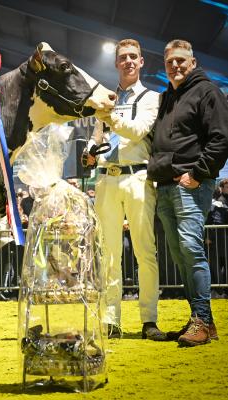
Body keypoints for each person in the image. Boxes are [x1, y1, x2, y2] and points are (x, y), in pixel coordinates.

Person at [147, 39, 228, 346]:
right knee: (181, 255)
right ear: (165, 65)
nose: (176, 66)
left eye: (182, 61)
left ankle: (203, 321)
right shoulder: (167, 97)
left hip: (191, 183)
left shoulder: (207, 92)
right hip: (166, 185)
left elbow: (221, 138)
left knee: (191, 249)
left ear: (193, 63)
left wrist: (197, 173)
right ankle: (201, 317)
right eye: (170, 62)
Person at [84, 39, 165, 340]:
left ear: (142, 62)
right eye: (123, 57)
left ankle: (149, 319)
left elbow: (136, 131)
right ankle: (110, 320)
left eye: (133, 57)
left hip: (138, 178)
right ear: (116, 63)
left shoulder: (151, 98)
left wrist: (108, 115)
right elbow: (98, 136)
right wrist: (89, 152)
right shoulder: (107, 97)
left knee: (145, 251)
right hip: (106, 178)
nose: (128, 61)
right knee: (108, 254)